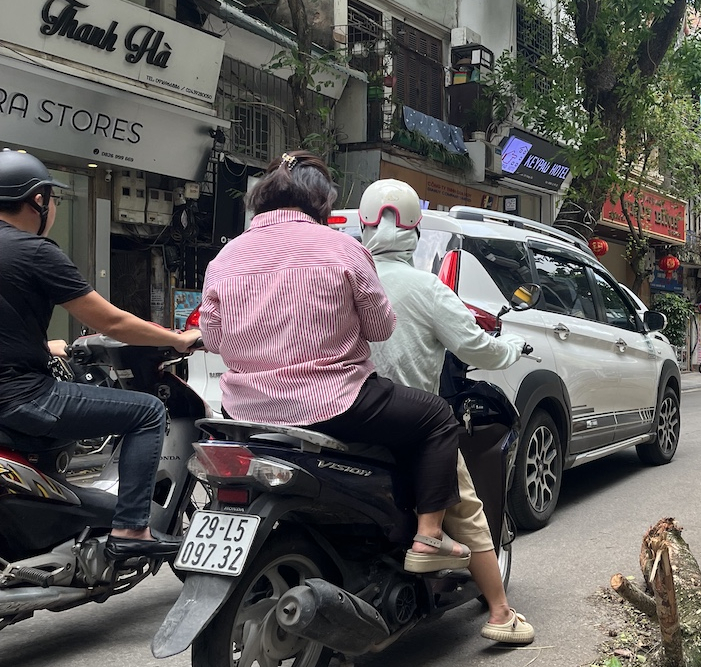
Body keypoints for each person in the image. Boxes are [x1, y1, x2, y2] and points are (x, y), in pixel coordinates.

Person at [201, 152, 468, 573]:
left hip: (244, 413)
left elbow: (214, 339)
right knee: (437, 417)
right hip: (334, 404)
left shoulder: (225, 258)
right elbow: (380, 328)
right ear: (321, 202)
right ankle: (429, 535)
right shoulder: (343, 249)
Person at [0, 149, 202, 560]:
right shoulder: (36, 251)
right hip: (21, 397)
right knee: (146, 411)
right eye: (52, 199)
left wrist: (44, 345)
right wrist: (177, 338)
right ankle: (131, 528)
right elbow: (112, 323)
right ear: (38, 200)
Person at [358, 179, 534, 645]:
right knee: (469, 510)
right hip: (409, 423)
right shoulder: (426, 287)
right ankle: (500, 613)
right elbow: (478, 348)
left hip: (338, 415)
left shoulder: (345, 281)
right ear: (415, 228)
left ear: (363, 225)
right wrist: (512, 346)